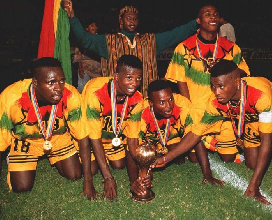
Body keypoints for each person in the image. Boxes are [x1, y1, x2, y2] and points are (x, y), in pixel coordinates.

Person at [153, 60, 272, 205]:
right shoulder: (216, 102)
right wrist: (165, 159)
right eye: (213, 86)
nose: (216, 92)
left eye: (221, 86)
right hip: (251, 120)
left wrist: (254, 186)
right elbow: (195, 134)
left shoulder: (260, 95)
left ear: (237, 82)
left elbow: (266, 140)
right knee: (252, 165)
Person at [0, 57, 97, 200]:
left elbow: (82, 136)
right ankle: (13, 158)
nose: (58, 87)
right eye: (51, 82)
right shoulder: (11, 97)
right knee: (22, 187)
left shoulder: (70, 94)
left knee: (76, 175)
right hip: (26, 142)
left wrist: (88, 182)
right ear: (35, 83)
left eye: (61, 81)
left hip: (57, 138)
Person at [62, 0, 198, 96]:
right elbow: (84, 40)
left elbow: (175, 34)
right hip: (117, 102)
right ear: (121, 21)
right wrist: (72, 16)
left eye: (135, 19)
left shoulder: (149, 41)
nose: (132, 21)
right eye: (128, 18)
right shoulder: (109, 41)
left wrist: (196, 23)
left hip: (145, 100)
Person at [165, 4, 250, 161]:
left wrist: (226, 68)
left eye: (216, 14)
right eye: (207, 14)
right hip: (196, 107)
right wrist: (190, 108)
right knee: (194, 158)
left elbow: (244, 72)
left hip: (221, 109)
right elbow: (180, 79)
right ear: (198, 20)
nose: (213, 17)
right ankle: (204, 139)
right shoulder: (183, 48)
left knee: (229, 158)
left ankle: (214, 140)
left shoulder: (231, 48)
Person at [126, 79, 224, 197]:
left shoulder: (182, 104)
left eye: (170, 99)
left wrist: (207, 174)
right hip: (150, 144)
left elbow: (196, 134)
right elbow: (132, 145)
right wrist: (140, 173)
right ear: (151, 103)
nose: (168, 106)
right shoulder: (139, 111)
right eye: (162, 102)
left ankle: (174, 153)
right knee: (140, 161)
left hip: (172, 137)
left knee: (192, 157)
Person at [81, 54, 146, 200]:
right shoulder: (96, 92)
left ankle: (105, 157)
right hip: (92, 138)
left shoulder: (137, 99)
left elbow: (133, 140)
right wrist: (108, 178)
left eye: (138, 78)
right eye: (129, 78)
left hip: (111, 138)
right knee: (90, 170)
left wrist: (135, 179)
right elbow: (94, 137)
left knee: (119, 165)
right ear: (117, 76)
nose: (134, 83)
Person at [72, 20, 104, 93]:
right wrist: (80, 69)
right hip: (85, 68)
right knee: (82, 88)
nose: (94, 27)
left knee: (96, 90)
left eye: (95, 26)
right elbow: (78, 56)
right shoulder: (83, 40)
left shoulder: (100, 40)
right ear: (86, 28)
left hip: (98, 70)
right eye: (92, 25)